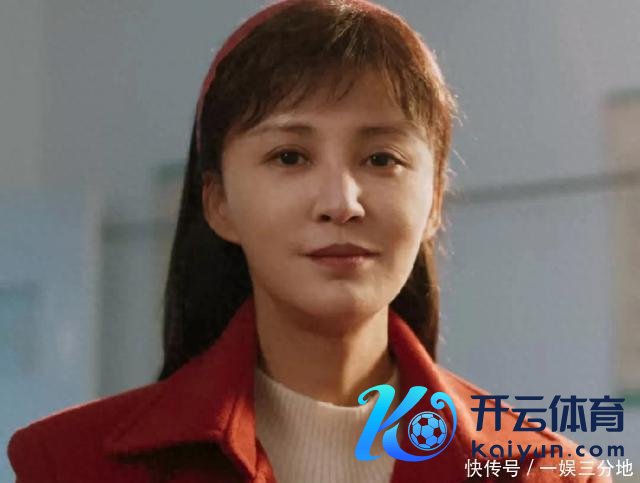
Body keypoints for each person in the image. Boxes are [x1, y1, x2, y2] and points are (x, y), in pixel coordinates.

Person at [6, 1, 611, 482]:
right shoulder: (72, 464)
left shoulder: (542, 471)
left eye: (381, 158)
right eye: (290, 156)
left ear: (434, 202)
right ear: (219, 203)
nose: (341, 202)